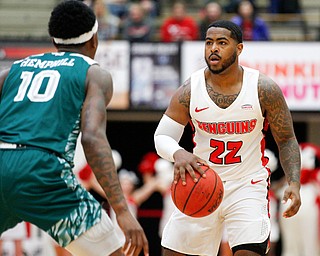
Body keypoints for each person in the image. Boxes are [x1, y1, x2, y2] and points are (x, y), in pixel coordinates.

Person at [0, 1, 149, 256]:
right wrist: (122, 211)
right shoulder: (94, 74)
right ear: (95, 38)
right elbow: (91, 138)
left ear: (53, 40)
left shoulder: (11, 71)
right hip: (43, 172)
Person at [154, 20, 301, 256]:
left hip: (247, 185)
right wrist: (178, 152)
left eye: (222, 43)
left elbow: (286, 139)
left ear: (239, 48)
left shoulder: (264, 88)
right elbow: (162, 135)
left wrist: (294, 182)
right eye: (209, 42)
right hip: (202, 183)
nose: (213, 48)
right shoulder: (189, 90)